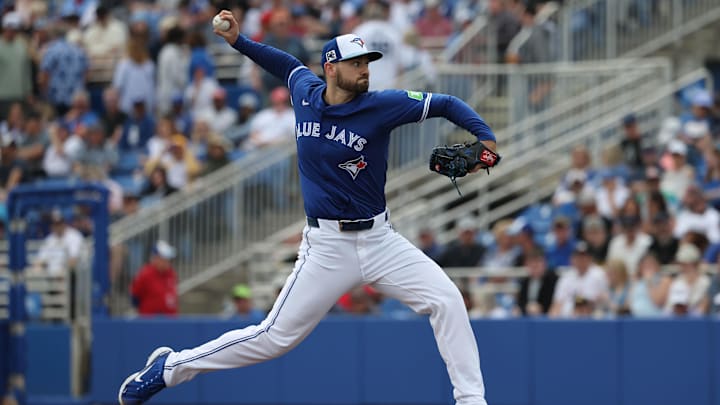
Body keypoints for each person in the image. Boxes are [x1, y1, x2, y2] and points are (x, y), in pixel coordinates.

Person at [119, 10, 498, 405]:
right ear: (331, 68)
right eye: (356, 63)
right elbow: (283, 62)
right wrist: (238, 41)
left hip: (381, 240)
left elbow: (447, 103)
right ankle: (170, 367)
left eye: (367, 62)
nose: (365, 70)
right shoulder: (304, 89)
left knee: (447, 299)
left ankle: (471, 399)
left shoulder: (382, 105)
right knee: (273, 338)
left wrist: (484, 138)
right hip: (327, 247)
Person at [130, 240, 179, 316]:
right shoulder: (145, 274)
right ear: (155, 258)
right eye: (164, 258)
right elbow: (135, 298)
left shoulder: (171, 273)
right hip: (150, 322)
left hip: (170, 321)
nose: (167, 262)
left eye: (168, 259)